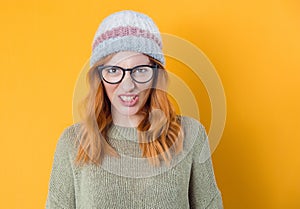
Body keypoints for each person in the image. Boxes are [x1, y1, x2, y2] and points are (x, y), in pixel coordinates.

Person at [45, 10, 223, 209]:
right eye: (113, 70)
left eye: (140, 70)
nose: (128, 85)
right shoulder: (73, 142)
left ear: (156, 75)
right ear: (99, 77)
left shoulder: (190, 135)